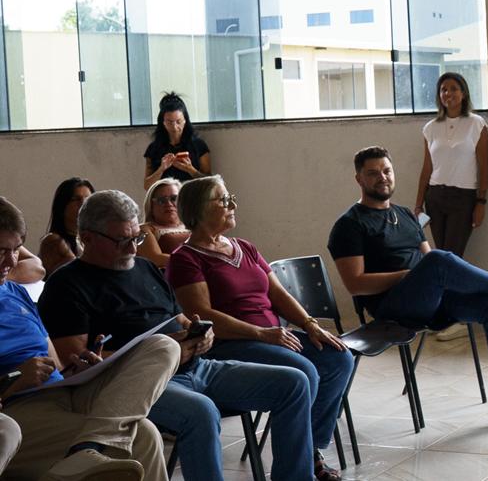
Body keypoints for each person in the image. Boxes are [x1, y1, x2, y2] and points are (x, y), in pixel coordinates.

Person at [37, 190, 314, 481]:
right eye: (122, 240)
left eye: (137, 238)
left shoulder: (144, 268)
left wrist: (201, 333)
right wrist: (164, 353)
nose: (132, 248)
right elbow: (77, 361)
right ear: (87, 237)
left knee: (294, 383)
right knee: (201, 412)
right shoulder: (66, 285)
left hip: (197, 366)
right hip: (134, 385)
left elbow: (180, 318)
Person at [329, 146, 488, 430]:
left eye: (387, 170)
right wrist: (409, 276)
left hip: (430, 302)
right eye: (373, 173)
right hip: (392, 310)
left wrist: (433, 278)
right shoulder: (349, 224)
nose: (382, 177)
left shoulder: (405, 215)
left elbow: (430, 265)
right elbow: (355, 284)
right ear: (359, 179)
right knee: (439, 260)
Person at [169, 176, 353, 481]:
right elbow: (202, 314)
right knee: (303, 370)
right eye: (223, 200)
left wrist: (309, 324)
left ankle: (310, 451)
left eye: (230, 197)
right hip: (231, 343)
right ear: (198, 209)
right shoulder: (185, 259)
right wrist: (261, 333)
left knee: (338, 358)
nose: (232, 204)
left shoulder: (245, 247)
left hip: (273, 337)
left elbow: (278, 294)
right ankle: (296, 471)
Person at [1, 195, 180, 481]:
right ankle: (87, 447)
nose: (11, 261)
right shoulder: (65, 282)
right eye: (1, 251)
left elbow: (56, 363)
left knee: (164, 346)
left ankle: (90, 445)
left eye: (16, 250)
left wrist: (78, 368)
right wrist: (13, 379)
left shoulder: (16, 293)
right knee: (143, 437)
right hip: (15, 409)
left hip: (62, 392)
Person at [413, 72, 488, 341]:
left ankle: (458, 318)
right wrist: (418, 203)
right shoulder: (430, 127)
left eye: (453, 88)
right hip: (435, 197)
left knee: (453, 258)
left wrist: (481, 202)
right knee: (440, 258)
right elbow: (426, 168)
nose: (448, 94)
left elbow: (484, 166)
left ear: (463, 93)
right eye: (443, 89)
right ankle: (445, 315)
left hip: (463, 198)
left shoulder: (476, 124)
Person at [143, 93, 211, 190]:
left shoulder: (199, 145)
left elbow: (210, 183)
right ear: (163, 123)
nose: (174, 127)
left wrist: (190, 169)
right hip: (165, 196)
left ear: (185, 121)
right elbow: (147, 186)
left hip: (192, 195)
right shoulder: (154, 148)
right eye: (169, 122)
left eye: (178, 121)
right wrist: (161, 169)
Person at [38, 177, 94, 276]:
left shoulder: (88, 240)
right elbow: (82, 275)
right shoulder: (53, 240)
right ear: (62, 206)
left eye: (88, 199)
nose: (83, 204)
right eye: (76, 199)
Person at [136, 179, 188, 269]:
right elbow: (155, 258)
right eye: (161, 200)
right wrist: (194, 262)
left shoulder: (193, 225)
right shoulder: (144, 229)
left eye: (174, 198)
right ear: (151, 205)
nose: (169, 204)